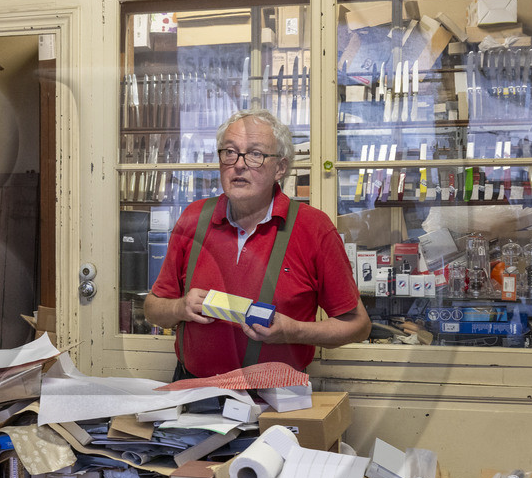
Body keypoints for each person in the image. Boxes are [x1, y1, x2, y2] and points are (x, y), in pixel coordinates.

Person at [144, 108, 369, 378]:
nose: (239, 164)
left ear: (280, 168)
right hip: (196, 395)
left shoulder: (314, 228)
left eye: (255, 154)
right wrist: (180, 308)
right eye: (230, 152)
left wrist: (292, 331)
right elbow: (153, 308)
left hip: (278, 402)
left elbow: (358, 325)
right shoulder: (193, 219)